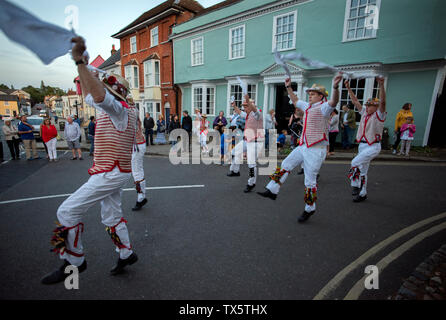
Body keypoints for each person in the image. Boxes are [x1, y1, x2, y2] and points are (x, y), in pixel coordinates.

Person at [41, 37, 138, 285]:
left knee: (67, 211)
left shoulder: (119, 108)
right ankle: (126, 253)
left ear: (120, 95)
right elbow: (90, 93)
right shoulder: (117, 107)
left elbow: (99, 95)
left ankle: (75, 261)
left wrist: (82, 65)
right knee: (111, 217)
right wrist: (82, 66)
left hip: (110, 171)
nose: (106, 91)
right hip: (113, 170)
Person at [257, 73, 343, 223]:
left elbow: (334, 101)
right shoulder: (307, 106)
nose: (310, 96)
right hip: (303, 146)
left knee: (309, 181)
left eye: (314, 94)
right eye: (310, 93)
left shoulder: (324, 108)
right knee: (285, 164)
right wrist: (289, 87)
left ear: (321, 96)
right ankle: (272, 190)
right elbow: (296, 100)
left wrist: (335, 87)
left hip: (316, 150)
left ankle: (310, 208)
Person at [345, 77, 386, 202]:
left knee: (354, 162)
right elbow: (355, 101)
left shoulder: (379, 114)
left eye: (370, 106)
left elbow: (383, 102)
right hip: (362, 145)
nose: (367, 107)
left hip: (373, 146)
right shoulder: (363, 113)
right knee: (363, 170)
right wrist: (348, 87)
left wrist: (381, 85)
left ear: (376, 107)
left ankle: (355, 186)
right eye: (367, 105)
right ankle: (363, 193)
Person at [227, 95, 264, 193]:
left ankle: (251, 183)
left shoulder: (258, 114)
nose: (244, 108)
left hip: (255, 143)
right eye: (244, 106)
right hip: (246, 140)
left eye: (246, 106)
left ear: (251, 106)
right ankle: (235, 171)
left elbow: (254, 110)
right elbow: (239, 112)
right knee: (234, 152)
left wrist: (248, 100)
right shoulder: (247, 114)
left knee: (251, 164)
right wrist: (234, 106)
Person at [131, 111, 148, 211]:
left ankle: (141, 198)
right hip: (138, 144)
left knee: (137, 172)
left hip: (136, 145)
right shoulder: (133, 111)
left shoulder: (129, 112)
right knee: (138, 171)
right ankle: (141, 197)